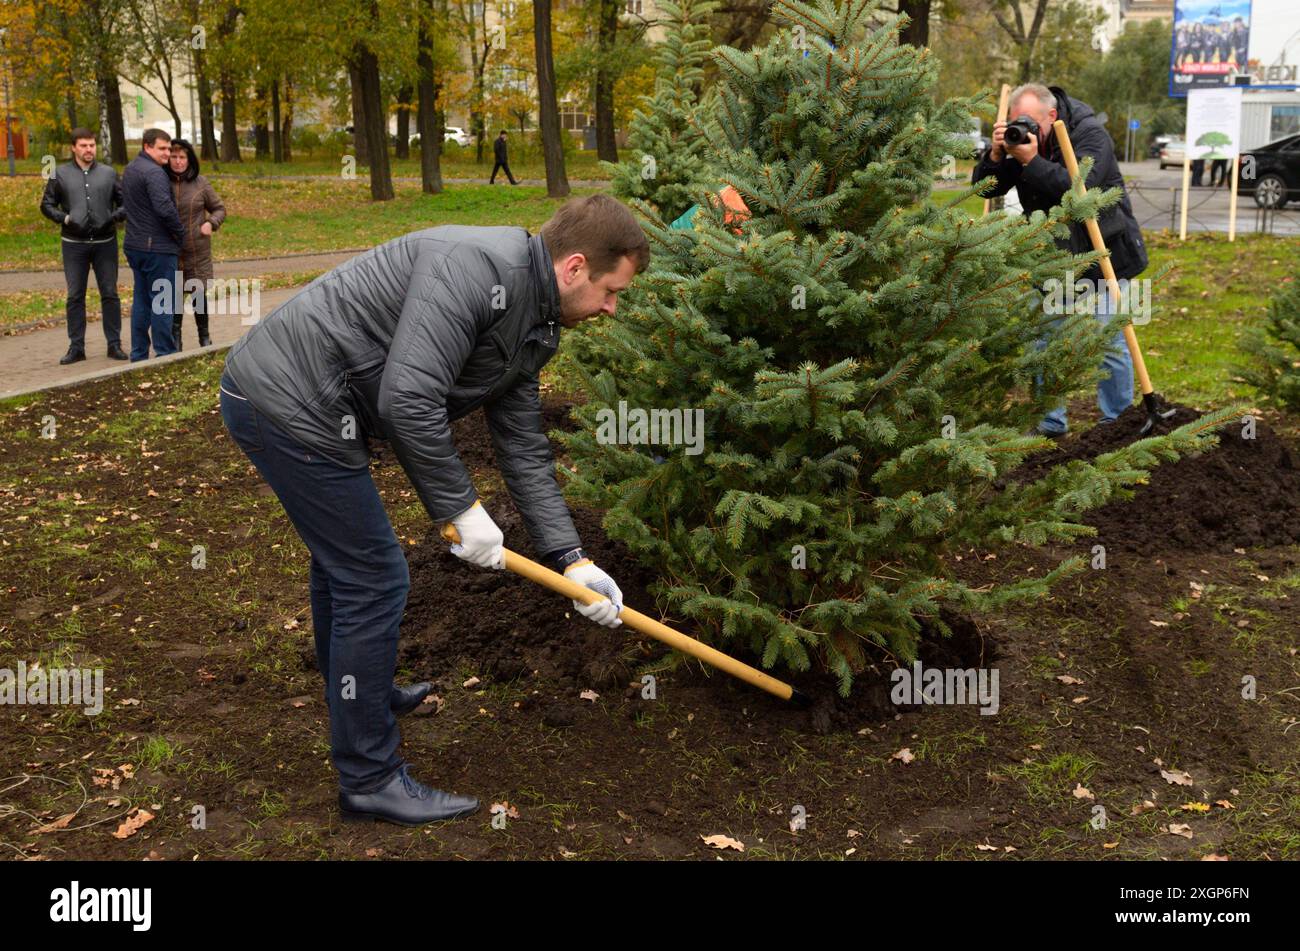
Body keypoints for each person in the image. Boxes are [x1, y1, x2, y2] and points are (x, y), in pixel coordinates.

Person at [219, 194, 650, 826]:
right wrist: (461, 509)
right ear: (576, 266)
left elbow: (524, 447)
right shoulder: (474, 269)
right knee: (373, 576)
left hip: (322, 404)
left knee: (346, 567)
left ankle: (357, 694)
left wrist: (571, 558)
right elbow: (408, 399)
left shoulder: (536, 319)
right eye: (613, 291)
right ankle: (368, 779)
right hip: (286, 400)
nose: (612, 308)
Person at [973, 83, 1147, 436]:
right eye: (1015, 121)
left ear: (1052, 116)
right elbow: (987, 189)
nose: (1023, 128)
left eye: (1030, 121)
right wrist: (994, 156)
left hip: (1103, 253)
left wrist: (1031, 162)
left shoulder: (1090, 134)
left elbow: (1078, 191)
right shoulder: (1019, 140)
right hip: (1052, 257)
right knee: (1046, 340)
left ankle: (1115, 424)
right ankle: (1049, 422)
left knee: (1109, 342)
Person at [40, 128, 129, 365]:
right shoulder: (59, 174)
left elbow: (125, 203)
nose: (89, 149)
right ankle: (76, 347)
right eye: (83, 146)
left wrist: (113, 217)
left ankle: (114, 344)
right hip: (73, 245)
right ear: (74, 148)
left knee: (110, 294)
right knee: (75, 296)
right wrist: (65, 219)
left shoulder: (109, 174)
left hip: (105, 244)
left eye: (91, 145)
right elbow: (47, 205)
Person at [121, 128, 184, 361]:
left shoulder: (130, 169)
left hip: (135, 245)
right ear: (147, 147)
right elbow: (164, 209)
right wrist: (180, 234)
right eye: (162, 148)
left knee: (142, 300)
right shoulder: (154, 173)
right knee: (162, 302)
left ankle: (138, 353)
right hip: (156, 247)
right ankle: (164, 353)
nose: (167, 153)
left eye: (169, 148)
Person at [167, 139, 227, 350]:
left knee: (198, 294)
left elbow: (219, 208)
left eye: (182, 157)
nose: (178, 161)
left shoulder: (200, 183)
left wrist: (211, 223)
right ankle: (175, 338)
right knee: (173, 295)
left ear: (189, 159)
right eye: (173, 157)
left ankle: (205, 336)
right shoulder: (161, 181)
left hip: (197, 250)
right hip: (171, 251)